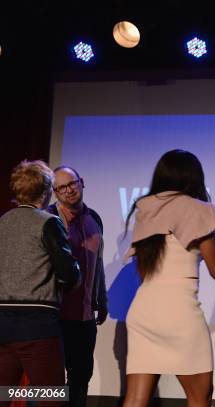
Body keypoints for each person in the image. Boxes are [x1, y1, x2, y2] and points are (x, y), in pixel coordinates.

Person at [122, 150, 215, 407]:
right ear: (193, 177)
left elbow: (142, 269)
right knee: (200, 397)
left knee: (136, 398)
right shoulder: (197, 209)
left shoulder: (145, 208)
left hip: (143, 309)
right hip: (179, 311)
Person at [0, 160, 81, 407]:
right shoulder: (47, 222)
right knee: (51, 398)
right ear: (46, 192)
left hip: (3, 326)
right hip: (38, 327)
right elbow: (69, 273)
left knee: (4, 394)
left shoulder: (3, 222)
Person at [48, 165, 107, 407]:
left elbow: (98, 262)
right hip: (54, 315)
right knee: (47, 383)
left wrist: (101, 299)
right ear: (54, 192)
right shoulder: (48, 219)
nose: (69, 191)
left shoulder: (94, 219)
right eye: (61, 187)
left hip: (84, 317)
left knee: (81, 377)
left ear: (82, 182)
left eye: (72, 184)